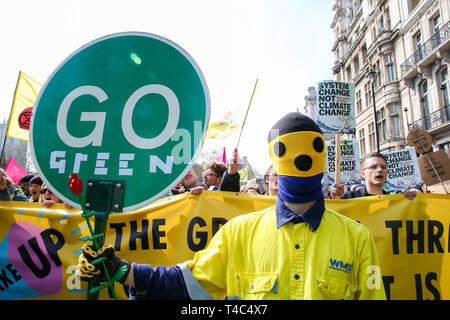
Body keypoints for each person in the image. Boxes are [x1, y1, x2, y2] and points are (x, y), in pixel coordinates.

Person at [77, 112, 386, 300]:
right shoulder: (238, 234)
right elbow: (186, 285)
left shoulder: (357, 239)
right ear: (274, 161)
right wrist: (122, 271)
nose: (302, 161)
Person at [329, 152, 422, 200]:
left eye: (383, 167)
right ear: (363, 174)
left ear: (387, 172)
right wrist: (334, 200)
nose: (379, 170)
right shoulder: (349, 198)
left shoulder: (394, 200)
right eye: (373, 167)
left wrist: (411, 201)